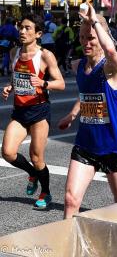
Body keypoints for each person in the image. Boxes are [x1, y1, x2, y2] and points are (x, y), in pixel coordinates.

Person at [58, 2, 117, 219]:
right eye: (82, 37)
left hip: (112, 147)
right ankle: (66, 248)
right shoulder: (78, 65)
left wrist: (94, 21)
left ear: (103, 36)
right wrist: (72, 114)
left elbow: (110, 50)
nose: (85, 42)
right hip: (85, 145)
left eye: (91, 38)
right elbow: (86, 97)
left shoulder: (112, 65)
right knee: (71, 200)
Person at [1, 14, 65, 209]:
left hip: (39, 111)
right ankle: (33, 174)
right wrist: (10, 86)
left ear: (38, 34)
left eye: (28, 28)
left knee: (37, 157)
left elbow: (61, 83)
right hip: (19, 111)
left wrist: (44, 83)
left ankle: (45, 193)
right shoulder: (14, 52)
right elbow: (17, 76)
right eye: (21, 27)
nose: (22, 31)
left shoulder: (45, 55)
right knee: (8, 153)